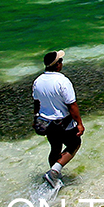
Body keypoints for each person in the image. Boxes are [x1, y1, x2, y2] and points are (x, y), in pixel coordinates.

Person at [32, 50, 85, 190]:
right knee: (75, 144)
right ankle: (54, 171)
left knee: (55, 148)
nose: (62, 63)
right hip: (63, 122)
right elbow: (71, 105)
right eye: (60, 61)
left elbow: (36, 103)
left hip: (46, 122)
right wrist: (79, 123)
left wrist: (35, 117)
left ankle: (54, 178)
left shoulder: (37, 81)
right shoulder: (62, 81)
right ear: (57, 65)